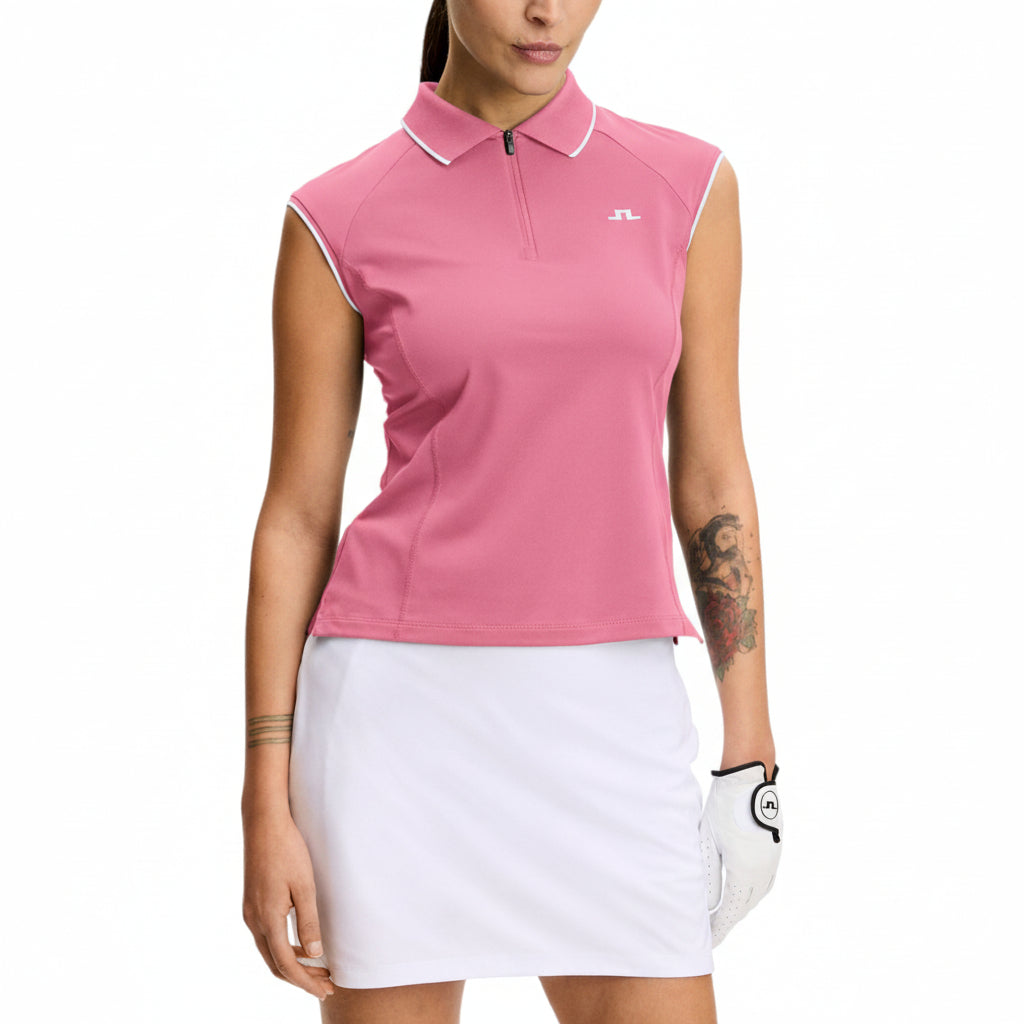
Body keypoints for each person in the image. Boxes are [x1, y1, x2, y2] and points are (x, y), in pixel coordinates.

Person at [241, 2, 783, 1022]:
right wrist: (264, 794)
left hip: (614, 718)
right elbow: (298, 515)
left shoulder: (686, 185)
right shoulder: (336, 213)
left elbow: (712, 476)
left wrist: (749, 747)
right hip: (398, 725)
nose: (547, 12)